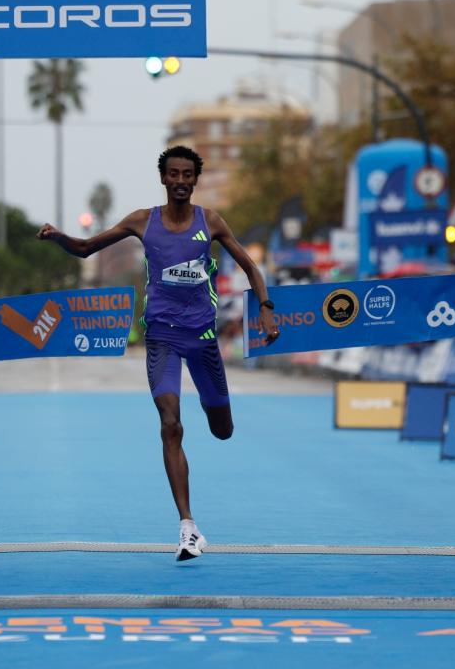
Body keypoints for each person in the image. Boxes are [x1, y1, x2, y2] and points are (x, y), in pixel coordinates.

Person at [38, 145, 279, 561]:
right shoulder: (142, 221)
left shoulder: (211, 221)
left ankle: (214, 413)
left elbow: (250, 267)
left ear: (195, 180)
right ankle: (188, 529)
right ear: (164, 178)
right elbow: (86, 248)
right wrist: (59, 237)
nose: (181, 181)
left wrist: (267, 309)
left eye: (189, 174)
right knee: (171, 425)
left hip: (202, 339)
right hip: (163, 337)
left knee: (222, 429)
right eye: (174, 174)